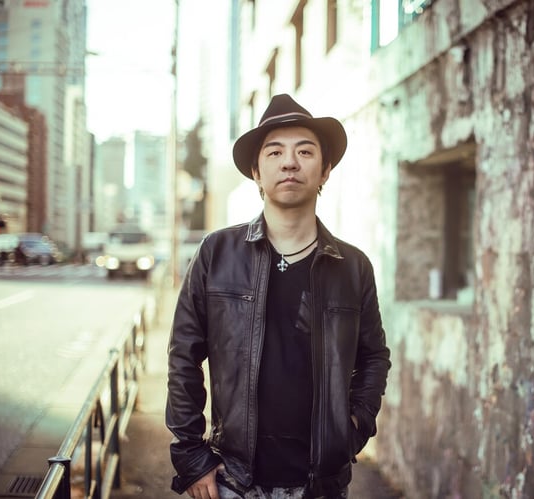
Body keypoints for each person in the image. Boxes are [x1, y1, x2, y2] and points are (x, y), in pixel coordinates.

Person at [166, 93, 392, 499]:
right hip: (233, 479)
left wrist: (356, 425)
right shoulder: (217, 253)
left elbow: (373, 356)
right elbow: (184, 354)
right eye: (275, 152)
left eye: (305, 151)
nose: (290, 162)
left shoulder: (353, 266)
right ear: (257, 172)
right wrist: (191, 455)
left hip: (321, 483)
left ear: (325, 171)